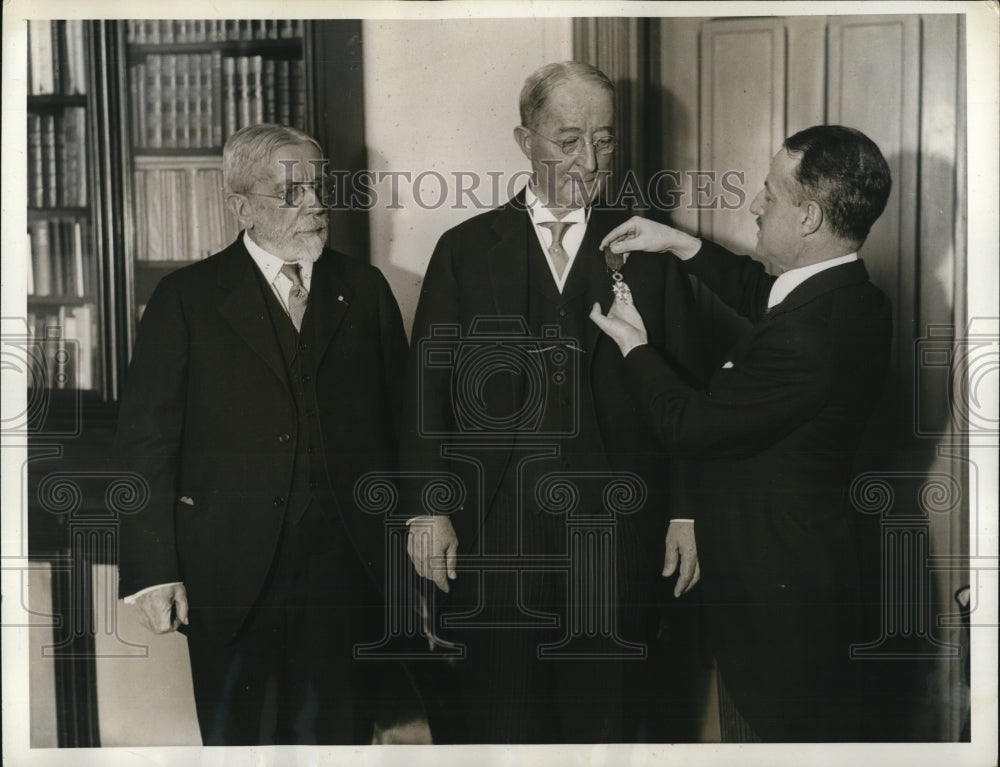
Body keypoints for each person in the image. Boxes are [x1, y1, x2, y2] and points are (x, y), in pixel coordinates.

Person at [400, 61, 708, 743]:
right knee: (503, 724)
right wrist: (428, 506)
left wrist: (685, 511)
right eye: (568, 140)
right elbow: (427, 388)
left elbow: (686, 391)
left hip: (621, 534)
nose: (589, 160)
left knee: (610, 726)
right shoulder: (465, 250)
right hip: (496, 533)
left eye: (603, 139)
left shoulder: (650, 249)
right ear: (524, 139)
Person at [590, 124, 893, 742]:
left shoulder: (811, 340)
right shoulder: (850, 296)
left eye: (770, 195)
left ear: (808, 217)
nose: (755, 205)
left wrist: (634, 346)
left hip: (778, 619)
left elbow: (687, 424)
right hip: (811, 586)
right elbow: (769, 296)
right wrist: (679, 243)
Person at [114, 123, 409, 745]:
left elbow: (402, 425)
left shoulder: (365, 290)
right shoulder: (185, 299)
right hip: (229, 579)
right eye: (292, 193)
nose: (315, 207)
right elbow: (147, 443)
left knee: (341, 743)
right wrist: (151, 569)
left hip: (346, 575)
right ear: (240, 205)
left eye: (319, 190)